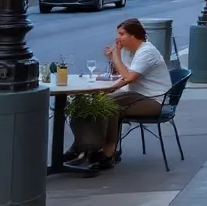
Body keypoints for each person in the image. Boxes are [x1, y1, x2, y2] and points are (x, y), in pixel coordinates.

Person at [67, 18, 172, 171]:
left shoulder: (147, 52)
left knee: (110, 106)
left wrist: (115, 56)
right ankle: (86, 147)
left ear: (134, 35)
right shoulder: (129, 51)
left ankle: (107, 152)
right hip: (135, 95)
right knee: (101, 103)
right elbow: (119, 73)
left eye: (122, 34)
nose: (118, 38)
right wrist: (114, 57)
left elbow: (128, 77)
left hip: (154, 100)